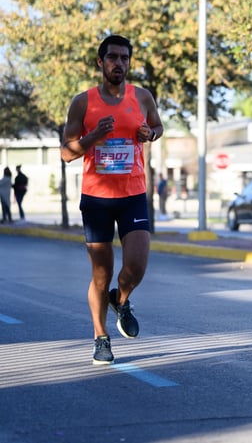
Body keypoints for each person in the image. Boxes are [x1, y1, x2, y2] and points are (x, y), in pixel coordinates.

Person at [60, 34, 164, 365]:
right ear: (100, 63)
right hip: (97, 199)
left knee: (136, 266)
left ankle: (122, 298)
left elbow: (158, 126)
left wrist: (150, 134)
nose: (119, 63)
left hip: (133, 194)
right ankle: (100, 338)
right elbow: (66, 152)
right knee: (101, 273)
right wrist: (93, 137)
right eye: (112, 57)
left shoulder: (142, 97)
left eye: (124, 58)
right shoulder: (83, 102)